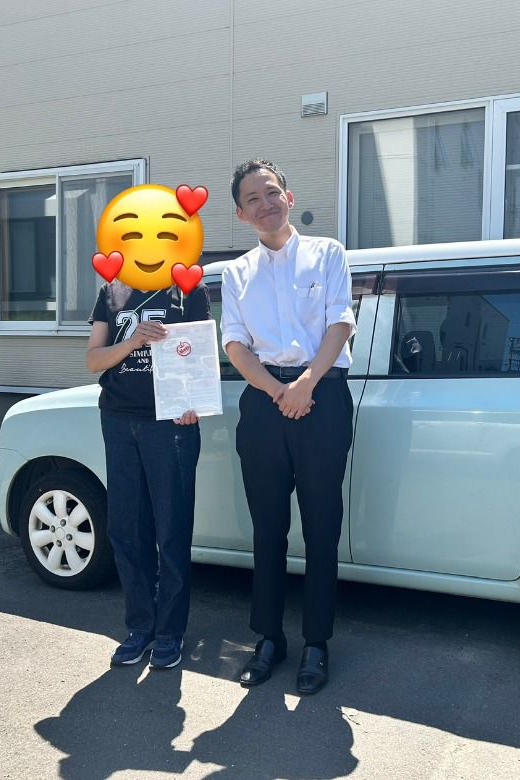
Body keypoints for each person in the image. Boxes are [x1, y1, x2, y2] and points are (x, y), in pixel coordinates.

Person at [221, 159, 356, 695]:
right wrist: (278, 391)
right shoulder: (235, 273)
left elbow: (341, 322)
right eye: (252, 198)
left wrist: (305, 384)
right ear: (241, 213)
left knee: (322, 526)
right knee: (267, 527)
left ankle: (316, 643)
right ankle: (268, 638)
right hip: (263, 403)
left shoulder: (328, 253)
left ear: (289, 197)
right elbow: (235, 344)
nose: (265, 204)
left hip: (323, 395)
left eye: (271, 192)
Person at [86, 279, 211, 669]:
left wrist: (194, 403)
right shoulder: (112, 291)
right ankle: (140, 627)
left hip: (170, 423)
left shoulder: (188, 289)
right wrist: (133, 340)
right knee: (126, 529)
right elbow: (94, 360)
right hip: (118, 420)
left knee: (171, 529)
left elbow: (201, 355)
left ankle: (170, 632)